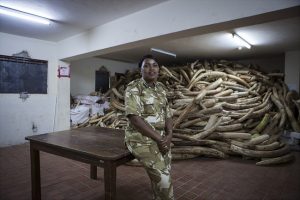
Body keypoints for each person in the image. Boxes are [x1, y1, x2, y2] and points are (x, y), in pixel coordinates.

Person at [124, 54, 174, 200]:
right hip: (140, 139)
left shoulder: (161, 88)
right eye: (146, 65)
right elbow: (134, 119)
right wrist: (160, 139)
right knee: (164, 181)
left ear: (159, 69)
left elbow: (168, 114)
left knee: (163, 174)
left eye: (155, 65)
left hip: (162, 140)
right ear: (140, 70)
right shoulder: (134, 88)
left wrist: (169, 135)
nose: (151, 68)